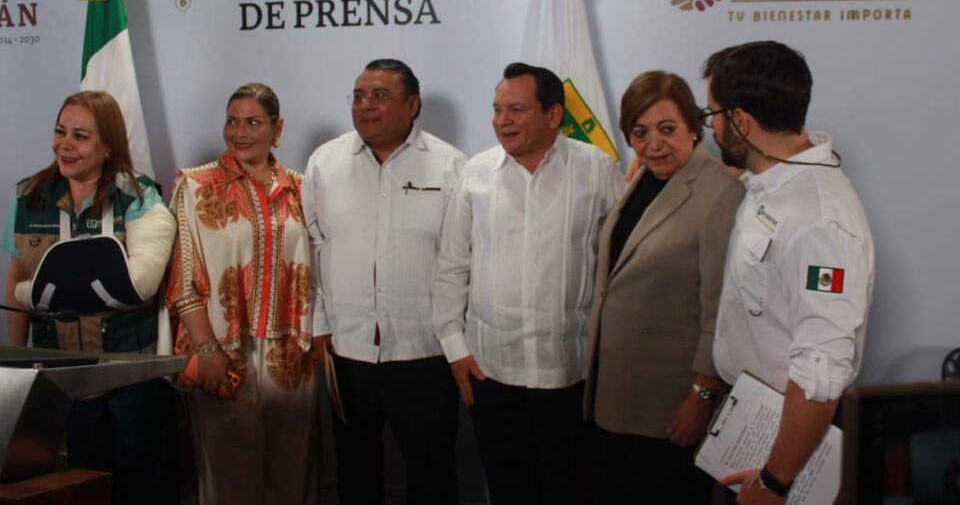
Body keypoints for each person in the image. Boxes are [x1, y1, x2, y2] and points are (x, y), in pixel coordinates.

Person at [434, 61, 624, 505]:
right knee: (508, 490)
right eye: (497, 109)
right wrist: (455, 349)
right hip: (492, 372)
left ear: (553, 115)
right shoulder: (476, 172)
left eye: (516, 109)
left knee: (569, 489)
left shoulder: (597, 169)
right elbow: (450, 266)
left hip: (570, 372)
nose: (502, 120)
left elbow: (623, 263)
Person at [701, 41, 875, 504]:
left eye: (712, 115)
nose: (711, 128)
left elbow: (821, 372)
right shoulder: (771, 183)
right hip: (746, 423)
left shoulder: (819, 218)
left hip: (785, 450)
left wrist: (774, 482)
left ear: (741, 122)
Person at [0, 90, 178, 504]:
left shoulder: (138, 196)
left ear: (108, 145)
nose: (64, 144)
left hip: (130, 370)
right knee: (79, 485)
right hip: (62, 373)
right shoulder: (29, 197)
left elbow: (137, 286)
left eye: (80, 135)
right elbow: (15, 280)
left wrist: (39, 292)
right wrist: (14, 357)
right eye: (60, 131)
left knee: (139, 484)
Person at [302, 58, 466, 505]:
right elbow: (312, 250)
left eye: (379, 96)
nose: (365, 106)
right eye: (358, 96)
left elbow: (460, 261)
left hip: (426, 351)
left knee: (432, 472)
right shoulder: (325, 162)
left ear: (413, 104)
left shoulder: (452, 166)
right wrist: (318, 326)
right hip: (347, 350)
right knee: (355, 472)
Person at [584, 71, 744, 504]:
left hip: (668, 405)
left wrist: (701, 394)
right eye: (640, 132)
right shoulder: (642, 177)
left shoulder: (720, 192)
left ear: (694, 126)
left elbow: (719, 309)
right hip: (615, 393)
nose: (653, 143)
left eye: (667, 128)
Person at [162, 82, 321, 505]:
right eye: (232, 121)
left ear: (277, 127)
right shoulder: (195, 187)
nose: (240, 132)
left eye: (254, 122)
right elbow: (182, 279)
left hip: (293, 357)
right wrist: (206, 349)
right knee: (229, 481)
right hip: (222, 354)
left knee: (293, 477)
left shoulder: (303, 188)